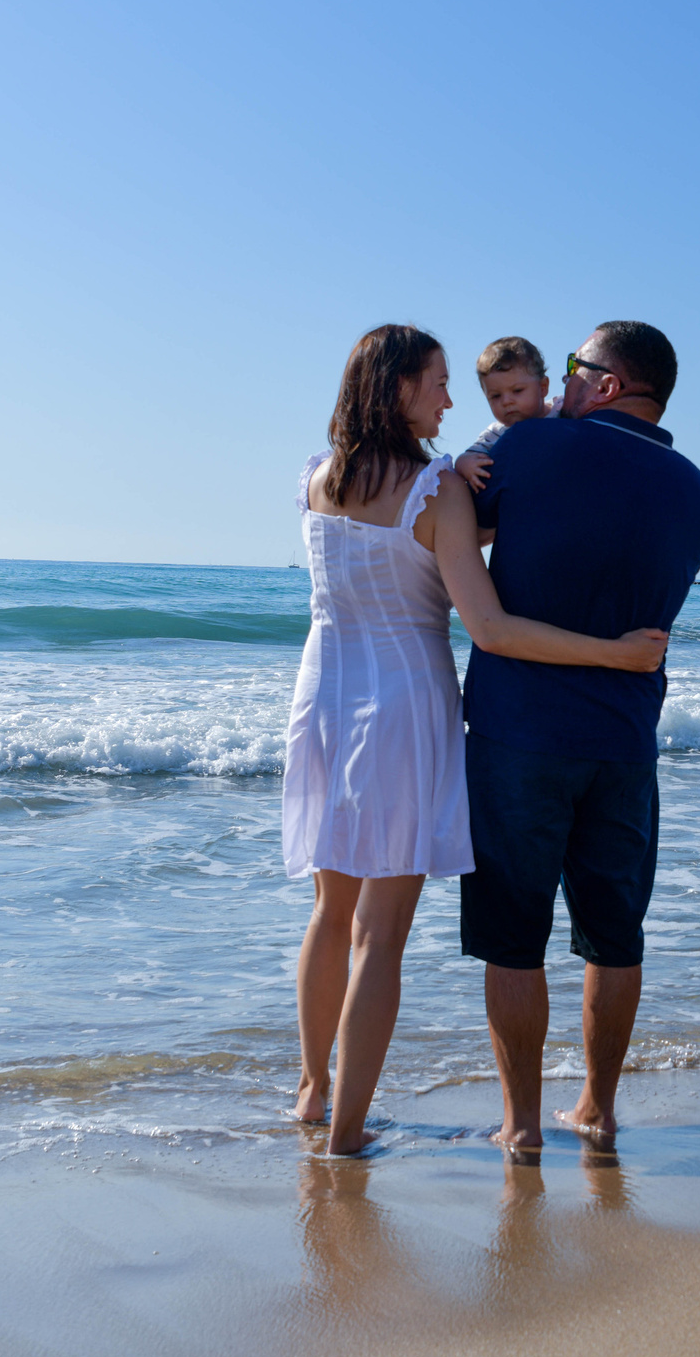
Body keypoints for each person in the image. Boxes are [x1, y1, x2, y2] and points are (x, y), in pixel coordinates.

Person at [284, 323, 668, 1158]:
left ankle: (312, 1093)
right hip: (400, 707)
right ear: (396, 390)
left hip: (322, 698)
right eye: (437, 384)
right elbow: (488, 625)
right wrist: (612, 653)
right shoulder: (435, 490)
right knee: (380, 934)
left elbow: (390, 551)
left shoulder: (316, 479)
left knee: (329, 908)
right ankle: (347, 1135)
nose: (452, 401)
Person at [457, 320, 700, 1157]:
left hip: (518, 732)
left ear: (606, 385)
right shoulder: (698, 489)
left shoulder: (530, 448)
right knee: (616, 932)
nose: (558, 383)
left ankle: (522, 1125)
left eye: (573, 369)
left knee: (513, 936)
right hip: (625, 742)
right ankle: (598, 1110)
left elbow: (458, 520)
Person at [459, 337, 553, 476]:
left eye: (517, 391)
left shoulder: (563, 410)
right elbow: (465, 458)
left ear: (543, 387)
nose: (506, 401)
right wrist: (465, 465)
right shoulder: (496, 433)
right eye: (496, 396)